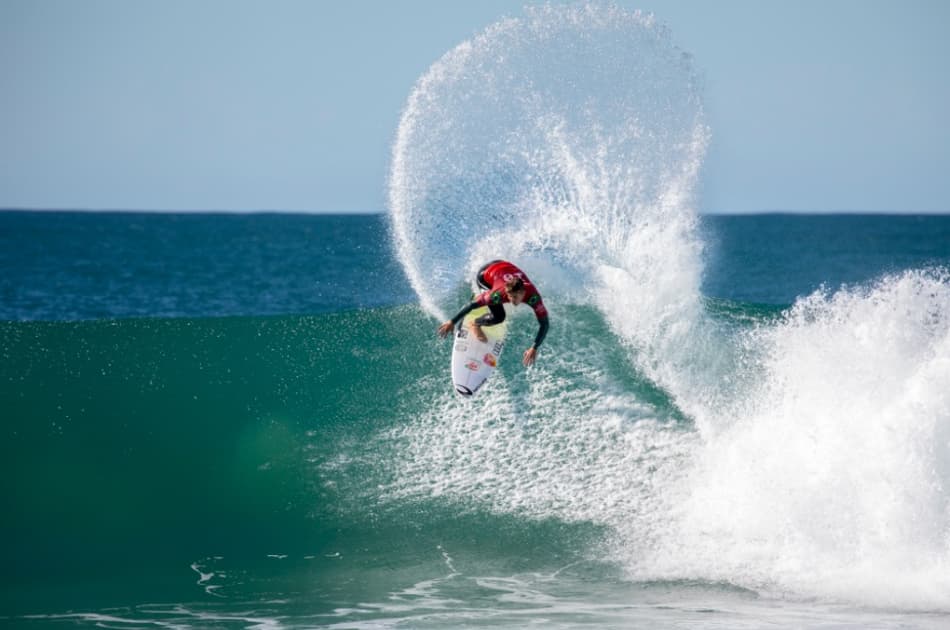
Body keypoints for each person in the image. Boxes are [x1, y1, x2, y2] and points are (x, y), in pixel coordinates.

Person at [437, 260, 549, 367]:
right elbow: (471, 305)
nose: (512, 300)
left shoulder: (533, 297)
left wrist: (534, 347)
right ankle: (475, 324)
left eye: (515, 297)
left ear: (523, 293)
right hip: (485, 275)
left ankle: (482, 298)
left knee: (491, 302)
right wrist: (452, 322)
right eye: (510, 296)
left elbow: (544, 324)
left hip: (503, 267)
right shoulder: (498, 295)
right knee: (499, 316)